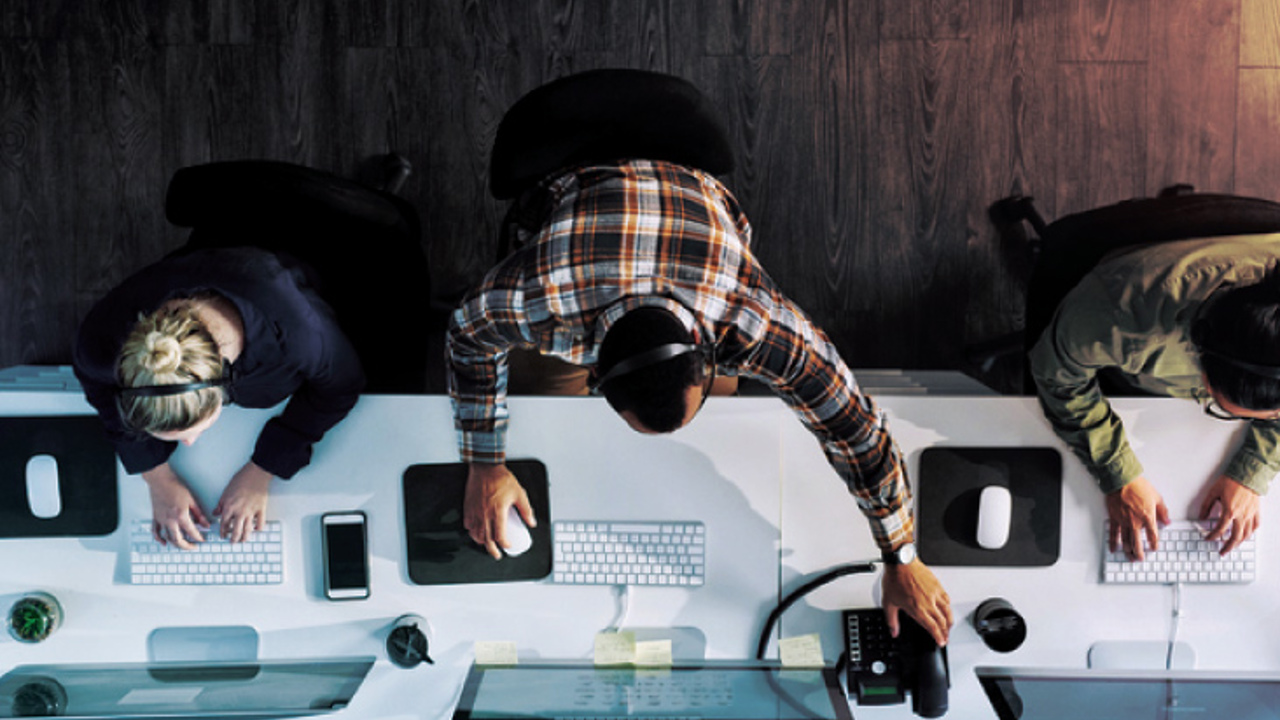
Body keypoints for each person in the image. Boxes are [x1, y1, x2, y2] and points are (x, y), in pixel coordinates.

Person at [447, 158, 953, 646]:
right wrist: (486, 463)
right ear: (593, 372)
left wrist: (901, 555)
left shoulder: (749, 316)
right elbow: (466, 336)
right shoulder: (541, 299)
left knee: (730, 423)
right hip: (580, 202)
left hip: (695, 232)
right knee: (544, 413)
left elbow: (856, 430)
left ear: (709, 358)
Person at [74, 246, 365, 548]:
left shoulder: (300, 337)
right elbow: (97, 385)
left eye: (195, 429)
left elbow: (341, 386)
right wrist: (156, 477)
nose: (188, 442)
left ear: (223, 387)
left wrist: (264, 468)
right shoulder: (100, 342)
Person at [1029, 234, 1280, 561]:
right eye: (1230, 410)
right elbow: (1057, 377)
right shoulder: (1117, 317)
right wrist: (1120, 476)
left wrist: (1255, 467)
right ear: (1203, 378)